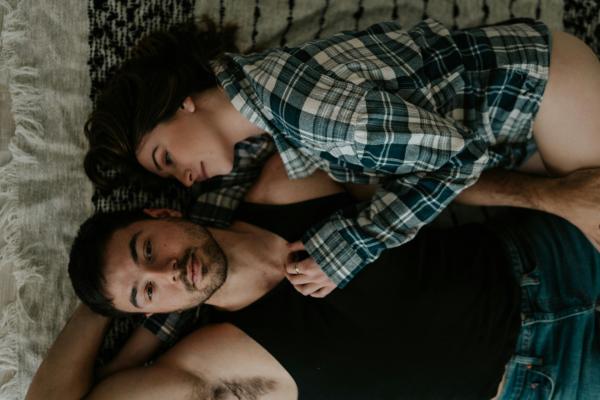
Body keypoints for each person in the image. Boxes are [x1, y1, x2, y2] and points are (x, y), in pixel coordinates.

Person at [83, 16, 600, 296]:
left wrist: (354, 244)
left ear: (181, 104)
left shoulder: (301, 110)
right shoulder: (266, 110)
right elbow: (214, 224)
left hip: (537, 86)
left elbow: (456, 160)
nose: (184, 178)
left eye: (166, 157)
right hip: (513, 125)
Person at [27, 157, 600, 399]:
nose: (166, 271)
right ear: (151, 312)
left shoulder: (287, 183)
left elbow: (430, 167)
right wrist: (100, 300)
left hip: (550, 253)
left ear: (162, 215)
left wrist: (549, 196)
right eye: (146, 289)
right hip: (550, 382)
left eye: (147, 249)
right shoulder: (213, 360)